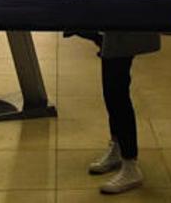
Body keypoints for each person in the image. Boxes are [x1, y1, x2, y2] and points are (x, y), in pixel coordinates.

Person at [65, 30, 161, 194]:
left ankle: (131, 166)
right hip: (113, 28)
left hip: (125, 26)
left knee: (117, 93)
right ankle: (118, 147)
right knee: (111, 92)